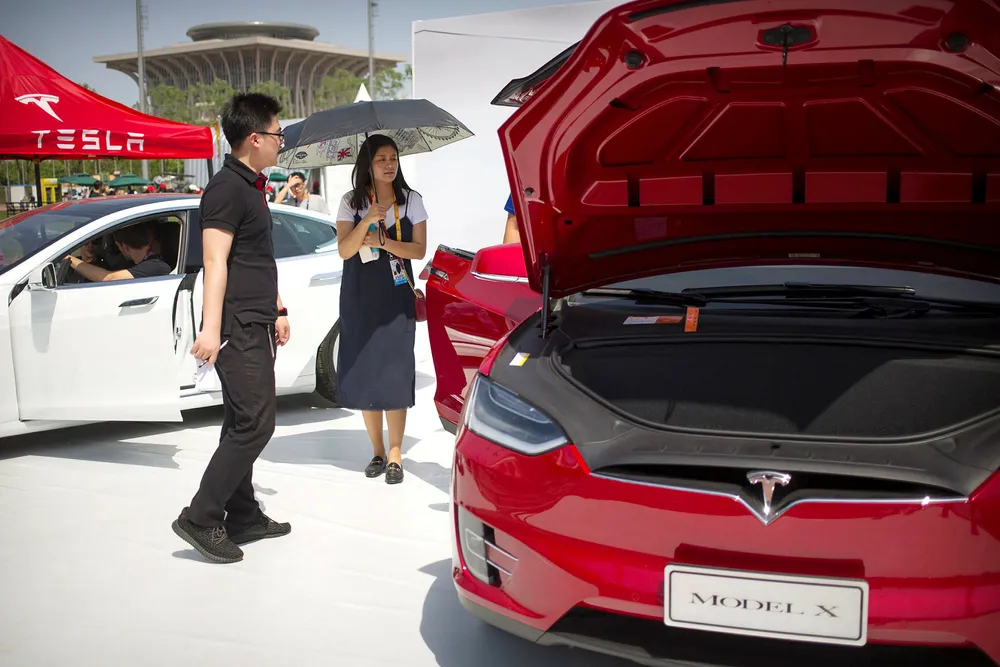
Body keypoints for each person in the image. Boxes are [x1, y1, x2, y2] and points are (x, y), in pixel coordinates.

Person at [173, 92, 292, 564]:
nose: (282, 140)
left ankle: (243, 514)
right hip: (237, 326)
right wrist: (210, 329)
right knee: (256, 424)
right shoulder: (225, 188)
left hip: (257, 319)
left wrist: (279, 308)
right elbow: (215, 261)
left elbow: (255, 258)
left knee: (240, 421)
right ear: (255, 137)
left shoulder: (251, 186)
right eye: (278, 133)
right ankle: (201, 517)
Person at [335, 134, 427, 485]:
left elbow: (418, 251)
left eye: (393, 158)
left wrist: (384, 240)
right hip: (360, 298)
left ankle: (395, 454)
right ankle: (376, 450)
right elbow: (345, 250)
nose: (389, 165)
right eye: (381, 159)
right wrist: (366, 221)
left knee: (395, 372)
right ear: (368, 165)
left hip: (396, 298)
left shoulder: (411, 201)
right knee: (367, 372)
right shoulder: (351, 202)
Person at [65, 222, 170, 282]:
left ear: (124, 247)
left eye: (116, 246)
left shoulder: (156, 266)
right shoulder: (139, 262)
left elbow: (109, 278)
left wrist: (67, 258)